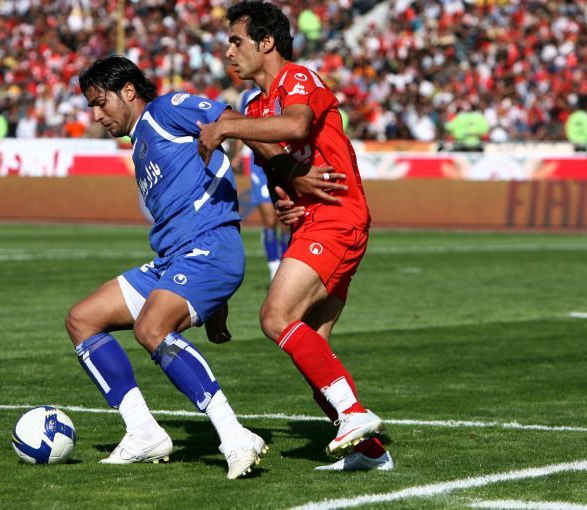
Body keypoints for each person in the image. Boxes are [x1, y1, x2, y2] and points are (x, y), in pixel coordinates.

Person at [198, 0, 393, 471]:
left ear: (266, 42)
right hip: (313, 221)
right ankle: (370, 453)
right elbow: (278, 171)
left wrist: (228, 126)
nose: (228, 52)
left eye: (236, 41)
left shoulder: (297, 78)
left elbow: (297, 124)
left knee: (275, 317)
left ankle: (352, 414)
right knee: (314, 349)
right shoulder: (255, 107)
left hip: (338, 217)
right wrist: (287, 195)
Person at [66, 55, 268, 480]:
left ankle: (235, 436)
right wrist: (214, 307)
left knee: (151, 328)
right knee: (83, 319)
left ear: (128, 91)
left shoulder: (165, 111)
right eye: (91, 107)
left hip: (210, 247)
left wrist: (281, 170)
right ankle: (143, 433)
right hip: (174, 260)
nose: (97, 115)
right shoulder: (140, 144)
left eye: (101, 103)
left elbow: (232, 121)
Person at [233, 87, 290, 280]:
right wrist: (237, 154)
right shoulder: (247, 96)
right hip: (257, 162)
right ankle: (274, 267)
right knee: (269, 219)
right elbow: (241, 126)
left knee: (285, 221)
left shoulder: (283, 90)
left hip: (281, 159)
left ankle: (285, 263)